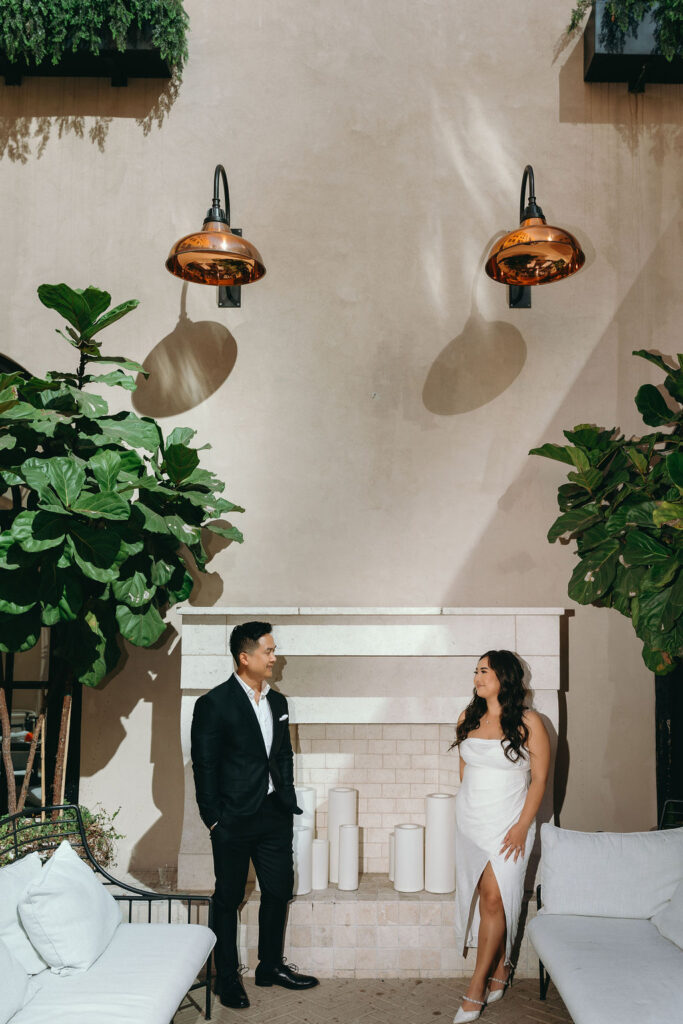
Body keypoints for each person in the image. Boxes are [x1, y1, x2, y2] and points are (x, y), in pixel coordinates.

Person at [191, 620, 319, 1009]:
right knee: (228, 898)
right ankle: (226, 978)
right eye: (268, 651)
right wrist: (213, 817)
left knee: (278, 890)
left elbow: (283, 753)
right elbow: (204, 765)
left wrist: (287, 797)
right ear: (244, 657)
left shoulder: (278, 703)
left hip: (273, 815)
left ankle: (269, 967)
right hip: (231, 818)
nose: (275, 657)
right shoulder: (213, 704)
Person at [451, 650, 550, 1023]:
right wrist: (469, 812)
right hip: (471, 822)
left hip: (510, 823)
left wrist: (522, 826)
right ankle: (501, 970)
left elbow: (539, 779)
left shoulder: (529, 722)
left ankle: (476, 987)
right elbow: (465, 770)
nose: (477, 677)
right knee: (482, 895)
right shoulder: (467, 718)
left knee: (496, 899)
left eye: (485, 671)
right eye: (476, 671)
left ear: (504, 677)